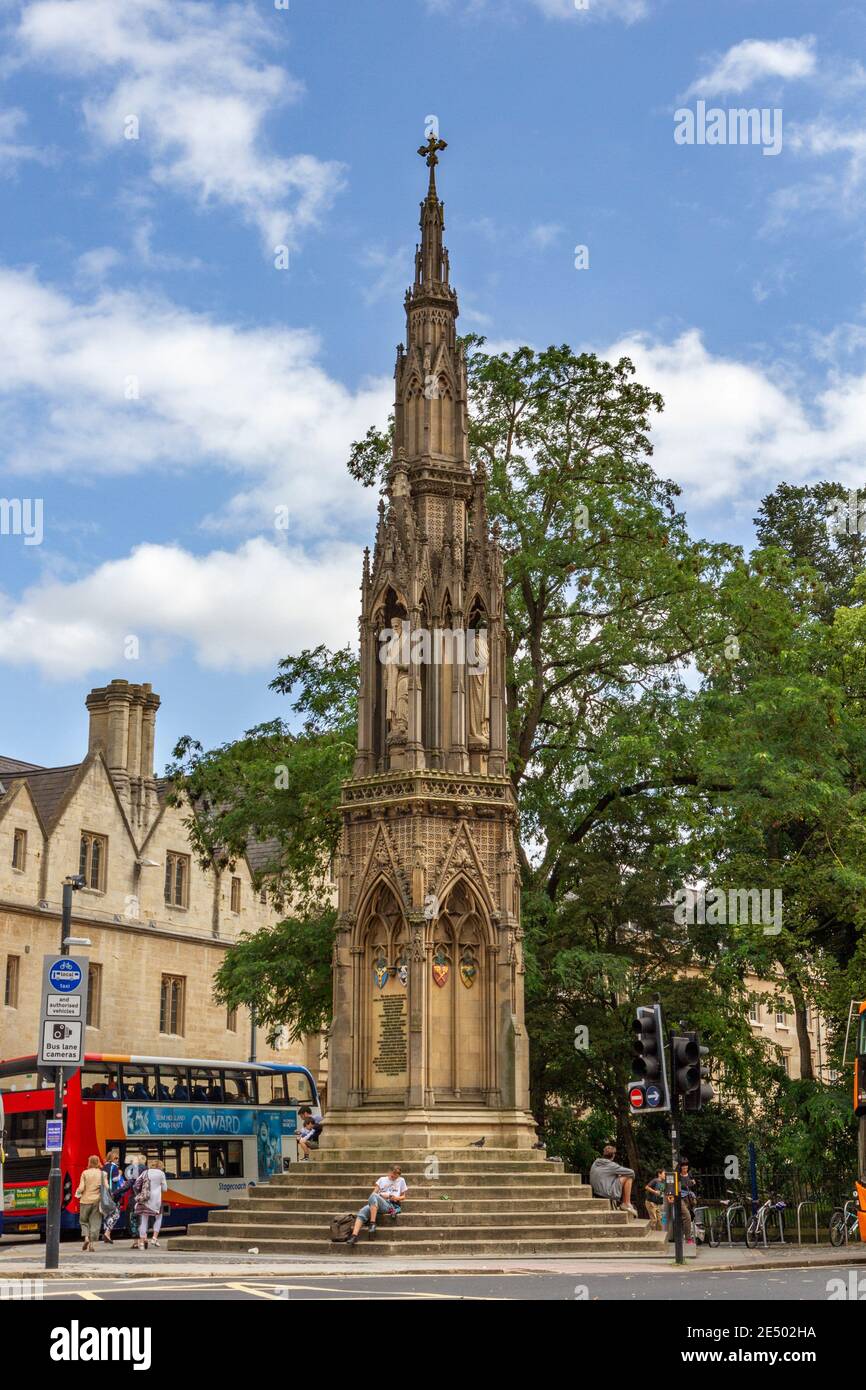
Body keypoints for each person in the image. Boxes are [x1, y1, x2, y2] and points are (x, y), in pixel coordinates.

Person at [346, 1165, 408, 1245]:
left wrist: (394, 1197)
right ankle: (354, 1236)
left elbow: (403, 1197)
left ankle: (372, 1223)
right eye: (393, 1176)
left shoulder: (401, 1180)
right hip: (376, 1202)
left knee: (374, 1196)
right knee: (362, 1211)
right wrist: (380, 1196)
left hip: (390, 1205)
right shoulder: (382, 1180)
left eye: (396, 1177)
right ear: (389, 1172)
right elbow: (373, 1194)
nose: (394, 1178)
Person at [588, 1144, 637, 1216]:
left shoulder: (595, 1163)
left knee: (619, 1175)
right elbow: (632, 1173)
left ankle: (625, 1203)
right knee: (628, 1176)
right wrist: (619, 1174)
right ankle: (626, 1203)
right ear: (613, 1155)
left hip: (595, 1192)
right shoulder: (612, 1165)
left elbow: (605, 1174)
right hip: (605, 1193)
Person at [132, 1158, 168, 1250]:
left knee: (144, 1220)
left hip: (145, 1199)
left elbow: (136, 1185)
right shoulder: (161, 1174)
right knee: (159, 1217)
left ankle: (141, 1244)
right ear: (160, 1166)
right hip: (156, 1201)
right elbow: (165, 1189)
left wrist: (140, 1194)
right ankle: (154, 1238)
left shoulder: (145, 1172)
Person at [75, 1155, 107, 1252]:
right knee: (95, 1222)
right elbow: (107, 1187)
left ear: (89, 1162)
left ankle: (86, 1239)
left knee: (84, 1221)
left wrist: (77, 1194)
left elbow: (81, 1187)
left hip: (85, 1200)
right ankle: (92, 1244)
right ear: (98, 1162)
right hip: (97, 1201)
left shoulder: (85, 1173)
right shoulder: (103, 1174)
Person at [665, 1160, 695, 1245]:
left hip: (688, 1198)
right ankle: (688, 1238)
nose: (685, 1168)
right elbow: (671, 1186)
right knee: (687, 1216)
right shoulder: (677, 1175)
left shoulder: (689, 1174)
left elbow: (693, 1182)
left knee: (685, 1218)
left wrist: (692, 1182)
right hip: (679, 1198)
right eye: (683, 1166)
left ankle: (681, 1237)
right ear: (680, 1167)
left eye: (686, 1166)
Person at [100, 1148, 124, 1243]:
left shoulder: (104, 1167)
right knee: (116, 1214)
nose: (117, 1160)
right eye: (116, 1158)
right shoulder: (114, 1167)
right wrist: (120, 1174)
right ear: (113, 1159)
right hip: (113, 1193)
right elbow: (115, 1179)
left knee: (107, 1213)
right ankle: (107, 1232)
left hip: (104, 1193)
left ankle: (107, 1235)